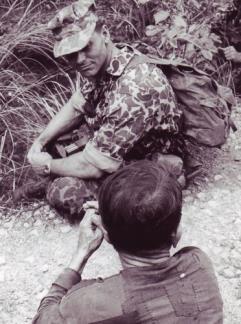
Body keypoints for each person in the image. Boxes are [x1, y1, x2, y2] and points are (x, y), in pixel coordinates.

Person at [13, 0, 185, 221]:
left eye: (86, 47)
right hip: (117, 146)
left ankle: (171, 179)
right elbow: (76, 106)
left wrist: (46, 166)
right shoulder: (104, 62)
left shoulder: (135, 89)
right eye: (71, 54)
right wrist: (39, 142)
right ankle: (54, 178)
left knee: (65, 193)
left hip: (146, 160)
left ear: (105, 34)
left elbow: (92, 166)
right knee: (56, 144)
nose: (80, 60)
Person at [32, 160, 223, 323]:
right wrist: (123, 210)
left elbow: (43, 318)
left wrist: (81, 253)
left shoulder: (90, 304)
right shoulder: (199, 263)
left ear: (105, 234)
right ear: (177, 233)